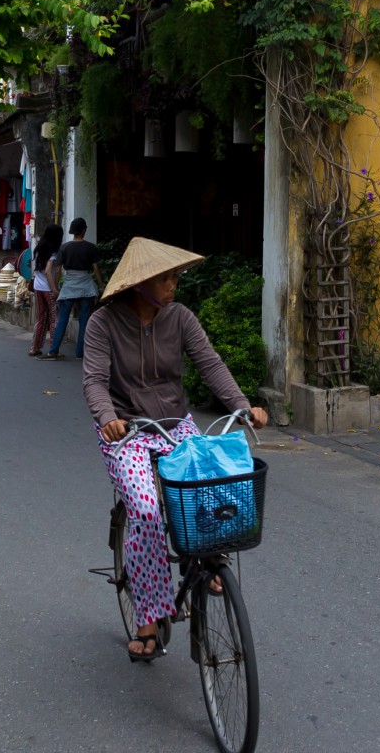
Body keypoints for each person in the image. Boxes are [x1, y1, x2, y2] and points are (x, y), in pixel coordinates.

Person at [83, 237, 267, 663]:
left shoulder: (180, 318)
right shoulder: (103, 323)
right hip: (126, 430)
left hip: (174, 425)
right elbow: (94, 379)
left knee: (212, 485)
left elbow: (210, 363)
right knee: (147, 510)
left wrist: (241, 407)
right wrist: (107, 416)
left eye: (175, 277)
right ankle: (148, 615)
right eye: (167, 278)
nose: (174, 285)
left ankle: (202, 561)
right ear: (140, 284)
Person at [47, 218, 102, 359]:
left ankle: (53, 351)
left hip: (69, 285)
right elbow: (95, 269)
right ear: (83, 230)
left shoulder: (64, 248)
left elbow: (58, 270)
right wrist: (101, 286)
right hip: (86, 286)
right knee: (84, 321)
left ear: (72, 231)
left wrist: (56, 287)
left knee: (63, 319)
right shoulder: (91, 247)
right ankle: (80, 353)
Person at [27, 222, 63, 357]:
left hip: (37, 286)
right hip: (48, 288)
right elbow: (49, 271)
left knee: (41, 318)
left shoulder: (39, 248)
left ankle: (34, 347)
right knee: (54, 318)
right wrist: (54, 289)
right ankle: (53, 349)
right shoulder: (54, 251)